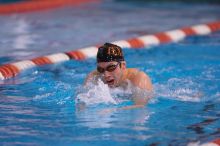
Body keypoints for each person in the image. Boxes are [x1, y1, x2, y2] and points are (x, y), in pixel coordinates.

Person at [84, 43, 153, 110]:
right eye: (100, 69)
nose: (106, 75)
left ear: (123, 65)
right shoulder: (94, 77)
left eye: (111, 68)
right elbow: (82, 101)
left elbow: (140, 106)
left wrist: (112, 110)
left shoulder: (139, 78)